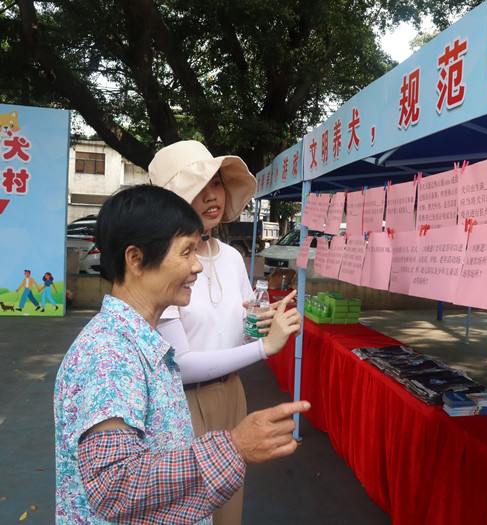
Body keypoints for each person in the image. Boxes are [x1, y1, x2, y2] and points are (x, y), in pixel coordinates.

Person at [54, 185, 309, 524]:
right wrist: (234, 447)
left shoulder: (140, 341)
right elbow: (114, 486)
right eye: (187, 252)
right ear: (136, 259)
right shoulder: (110, 354)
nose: (197, 267)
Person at [149, 140, 302, 525]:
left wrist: (263, 319)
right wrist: (265, 348)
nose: (211, 195)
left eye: (216, 183)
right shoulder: (165, 263)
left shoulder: (232, 257)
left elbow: (243, 329)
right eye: (197, 188)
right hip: (184, 404)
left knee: (228, 512)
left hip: (233, 393)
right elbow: (180, 365)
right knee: (188, 511)